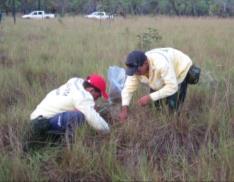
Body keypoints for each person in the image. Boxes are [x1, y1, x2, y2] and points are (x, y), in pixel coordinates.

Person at [27, 74, 110, 148]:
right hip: (42, 124)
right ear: (91, 90)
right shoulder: (83, 97)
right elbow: (96, 123)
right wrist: (108, 130)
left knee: (80, 111)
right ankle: (57, 142)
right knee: (79, 116)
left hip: (36, 116)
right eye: (98, 96)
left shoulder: (76, 81)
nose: (96, 99)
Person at [119, 47, 199, 122]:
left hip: (180, 68)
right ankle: (160, 119)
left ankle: (174, 122)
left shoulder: (161, 64)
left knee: (174, 107)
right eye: (133, 71)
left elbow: (172, 87)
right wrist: (124, 109)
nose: (135, 73)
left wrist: (150, 97)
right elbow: (128, 89)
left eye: (137, 70)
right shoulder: (135, 71)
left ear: (146, 63)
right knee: (155, 106)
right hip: (163, 72)